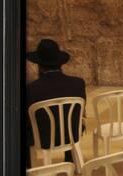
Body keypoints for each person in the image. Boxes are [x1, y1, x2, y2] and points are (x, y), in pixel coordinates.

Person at [26, 39, 86, 168]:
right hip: (72, 133)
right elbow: (81, 112)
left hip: (43, 139)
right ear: (60, 63)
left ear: (39, 65)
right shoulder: (78, 83)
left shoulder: (31, 89)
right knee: (67, 116)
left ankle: (31, 168)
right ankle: (70, 158)